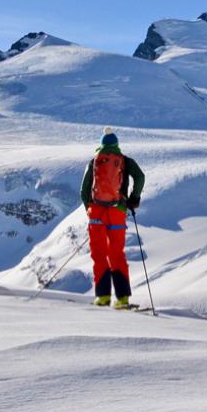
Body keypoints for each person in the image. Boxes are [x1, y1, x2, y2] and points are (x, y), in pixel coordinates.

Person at [79, 127, 145, 308]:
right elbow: (140, 177)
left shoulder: (94, 161)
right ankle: (122, 298)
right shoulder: (124, 161)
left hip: (97, 213)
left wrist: (90, 210)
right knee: (116, 254)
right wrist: (134, 199)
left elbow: (84, 191)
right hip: (117, 212)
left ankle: (103, 297)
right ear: (117, 145)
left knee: (99, 254)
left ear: (101, 145)